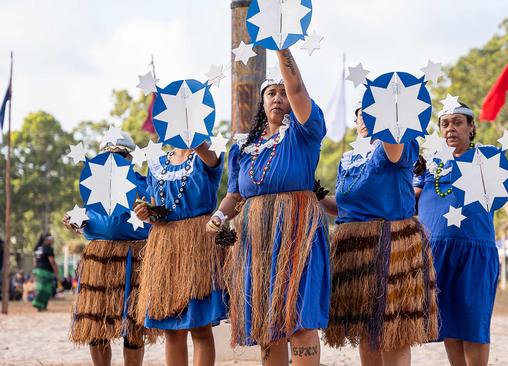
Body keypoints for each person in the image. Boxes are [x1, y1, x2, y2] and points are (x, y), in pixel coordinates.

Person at [206, 49, 329, 366]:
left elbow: (298, 87)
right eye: (270, 93)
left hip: (297, 231)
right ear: (262, 103)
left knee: (299, 315)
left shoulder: (304, 132)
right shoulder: (243, 148)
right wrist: (219, 216)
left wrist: (281, 47)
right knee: (268, 320)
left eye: (282, 92)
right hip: (255, 238)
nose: (278, 98)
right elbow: (234, 195)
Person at [319, 104, 437, 366]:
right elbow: (344, 206)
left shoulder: (397, 143)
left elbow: (394, 155)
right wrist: (317, 197)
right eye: (360, 114)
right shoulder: (348, 158)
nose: (364, 119)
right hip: (353, 247)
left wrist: (388, 122)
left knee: (392, 329)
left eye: (371, 113)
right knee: (367, 329)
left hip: (392, 244)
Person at [413, 102, 499, 366]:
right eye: (445, 123)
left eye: (458, 122)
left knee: (473, 323)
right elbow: (409, 199)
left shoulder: (489, 157)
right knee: (447, 323)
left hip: (475, 250)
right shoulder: (429, 164)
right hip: (435, 251)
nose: (451, 128)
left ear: (471, 127)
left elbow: (500, 194)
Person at [135, 129, 227, 366]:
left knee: (200, 327)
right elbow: (157, 207)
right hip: (164, 247)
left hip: (198, 245)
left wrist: (191, 127)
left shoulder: (206, 154)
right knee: (172, 329)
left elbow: (208, 157)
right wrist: (147, 214)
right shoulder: (157, 164)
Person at [64, 133, 154, 366]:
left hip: (135, 260)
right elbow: (88, 218)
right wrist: (75, 221)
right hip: (98, 261)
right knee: (95, 326)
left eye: (119, 155)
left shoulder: (145, 184)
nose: (113, 160)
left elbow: (157, 216)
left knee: (133, 328)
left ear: (130, 157)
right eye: (107, 155)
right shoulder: (92, 186)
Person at [32, 233, 58, 311]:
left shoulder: (37, 248)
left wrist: (34, 270)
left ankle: (43, 306)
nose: (52, 240)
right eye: (51, 238)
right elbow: (52, 261)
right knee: (45, 289)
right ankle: (38, 305)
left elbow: (34, 261)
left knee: (41, 288)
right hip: (46, 272)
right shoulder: (48, 248)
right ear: (46, 239)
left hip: (38, 270)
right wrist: (56, 271)